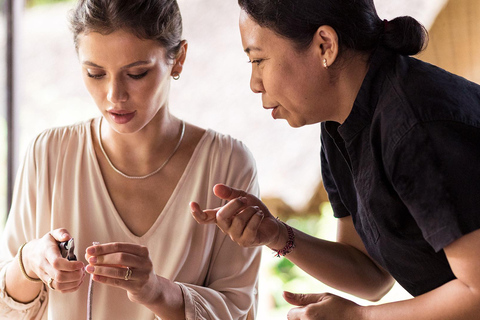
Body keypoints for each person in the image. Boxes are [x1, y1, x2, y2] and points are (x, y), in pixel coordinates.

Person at [191, 0, 480, 319]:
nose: (254, 83)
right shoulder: (340, 124)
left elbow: (477, 292)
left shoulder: (417, 128)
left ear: (324, 45)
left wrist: (358, 317)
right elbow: (372, 276)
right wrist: (275, 234)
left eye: (258, 59)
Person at [0, 0, 261, 319]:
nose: (114, 95)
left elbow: (239, 310)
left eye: (137, 73)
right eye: (95, 73)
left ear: (178, 59)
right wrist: (29, 262)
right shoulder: (48, 153)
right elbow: (7, 309)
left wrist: (156, 291)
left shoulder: (228, 164)